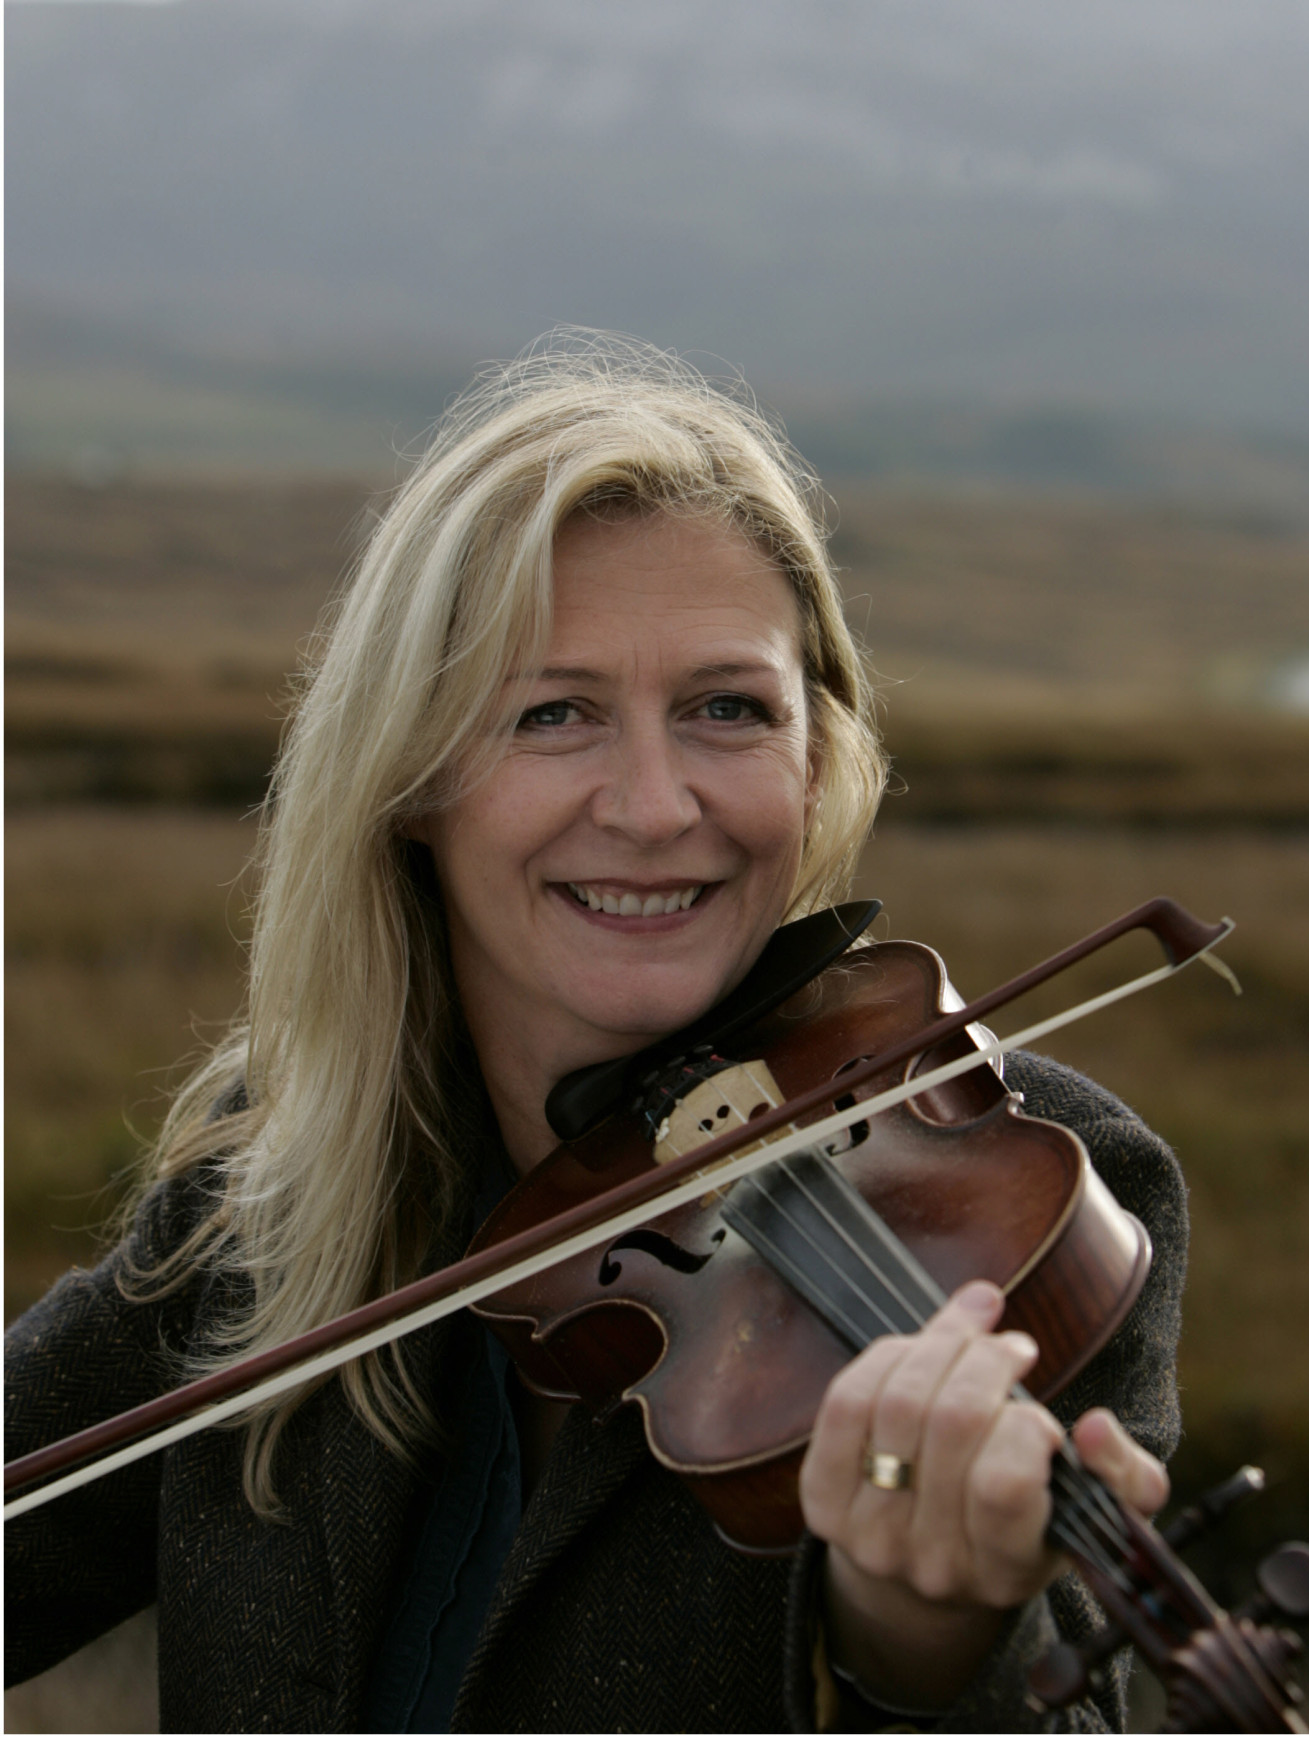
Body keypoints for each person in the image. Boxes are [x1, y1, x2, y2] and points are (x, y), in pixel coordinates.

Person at [6, 337, 1185, 1733]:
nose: (653, 804)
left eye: (727, 710)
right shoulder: (270, 1192)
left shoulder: (1027, 1181)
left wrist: (929, 1644)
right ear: (411, 776)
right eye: (554, 713)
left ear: (815, 760)